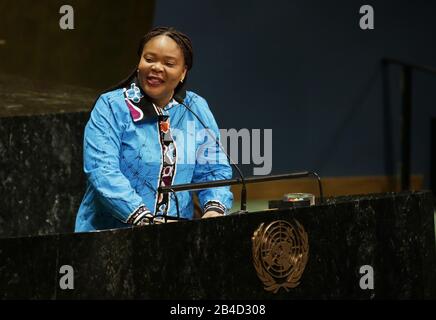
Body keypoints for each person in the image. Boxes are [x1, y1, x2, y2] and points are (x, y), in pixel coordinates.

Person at [75, 26, 233, 232]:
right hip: (109, 237)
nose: (157, 67)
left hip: (175, 239)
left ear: (183, 72)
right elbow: (102, 171)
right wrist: (144, 218)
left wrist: (214, 209)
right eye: (149, 59)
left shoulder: (195, 107)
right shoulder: (111, 106)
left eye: (168, 63)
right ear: (139, 63)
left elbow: (213, 169)